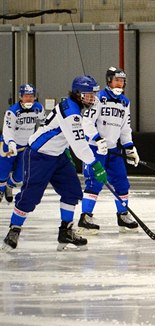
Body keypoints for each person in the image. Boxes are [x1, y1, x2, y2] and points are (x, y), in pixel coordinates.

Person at [1, 75, 108, 252]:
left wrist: (95, 138)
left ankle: (65, 231)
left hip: (58, 156)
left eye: (93, 94)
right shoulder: (71, 113)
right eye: (89, 94)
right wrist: (95, 165)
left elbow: (80, 127)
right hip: (39, 155)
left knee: (72, 191)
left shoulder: (76, 107)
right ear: (77, 93)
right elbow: (79, 144)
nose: (93, 98)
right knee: (30, 195)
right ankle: (14, 229)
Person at [77, 67, 140, 235]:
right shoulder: (98, 98)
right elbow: (87, 122)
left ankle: (123, 216)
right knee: (94, 182)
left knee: (122, 182)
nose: (120, 83)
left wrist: (129, 148)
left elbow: (125, 128)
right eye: (116, 80)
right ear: (109, 81)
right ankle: (85, 219)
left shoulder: (125, 102)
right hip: (95, 148)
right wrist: (97, 139)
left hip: (112, 149)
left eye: (122, 80)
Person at [1, 84, 46, 203]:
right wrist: (10, 142)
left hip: (26, 145)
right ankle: (0, 189)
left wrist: (40, 139)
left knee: (21, 174)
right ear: (20, 97)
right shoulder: (12, 111)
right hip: (9, 144)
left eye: (31, 96)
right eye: (26, 96)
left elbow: (44, 125)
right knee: (2, 171)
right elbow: (7, 129)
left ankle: (9, 186)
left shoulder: (39, 108)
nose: (29, 99)